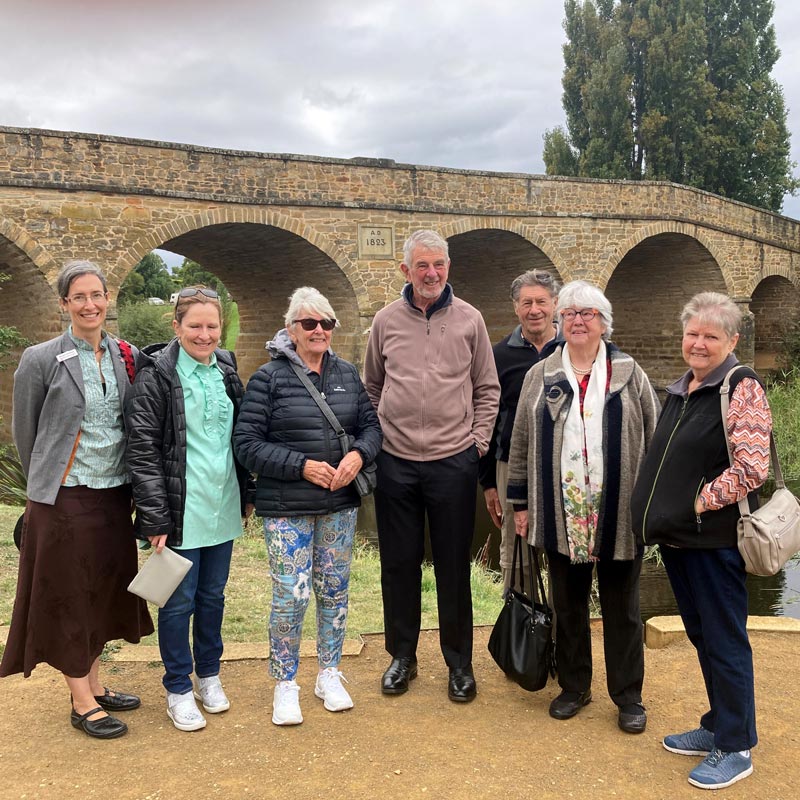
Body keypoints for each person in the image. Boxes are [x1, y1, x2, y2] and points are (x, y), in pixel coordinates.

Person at [0, 260, 153, 739]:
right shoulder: (41, 358)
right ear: (64, 304)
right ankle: (81, 700)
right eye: (79, 297)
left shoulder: (124, 355)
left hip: (113, 498)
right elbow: (26, 433)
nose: (90, 305)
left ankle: (94, 683)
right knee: (69, 596)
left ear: (109, 300)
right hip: (63, 500)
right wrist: (44, 484)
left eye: (97, 295)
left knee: (103, 593)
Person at [631, 292, 770, 789]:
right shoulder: (685, 388)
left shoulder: (741, 387)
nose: (699, 343)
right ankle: (719, 725)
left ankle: (736, 746)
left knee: (726, 640)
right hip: (680, 542)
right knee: (703, 636)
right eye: (693, 333)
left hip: (714, 542)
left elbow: (753, 468)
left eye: (711, 335)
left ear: (732, 340)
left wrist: (694, 501)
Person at [507, 280, 658, 733]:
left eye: (587, 313)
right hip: (559, 511)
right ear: (561, 321)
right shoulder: (542, 374)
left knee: (623, 608)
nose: (577, 319)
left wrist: (652, 503)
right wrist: (520, 502)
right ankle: (574, 686)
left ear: (603, 322)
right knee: (568, 604)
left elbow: (654, 438)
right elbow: (519, 441)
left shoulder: (630, 373)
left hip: (619, 515)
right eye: (570, 312)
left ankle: (628, 695)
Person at [233, 287, 382, 726]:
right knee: (291, 595)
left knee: (334, 592)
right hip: (286, 508)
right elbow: (246, 445)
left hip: (339, 503)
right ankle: (285, 682)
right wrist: (301, 466)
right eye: (309, 324)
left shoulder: (348, 374)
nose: (319, 331)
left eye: (326, 323)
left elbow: (372, 428)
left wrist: (358, 455)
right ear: (291, 329)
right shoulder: (268, 379)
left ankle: (329, 673)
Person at [364, 229, 500, 703]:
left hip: (453, 462)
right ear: (406, 270)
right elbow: (372, 388)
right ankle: (402, 656)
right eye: (422, 265)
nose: (431, 273)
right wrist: (379, 437)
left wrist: (477, 443)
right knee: (398, 565)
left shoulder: (470, 320)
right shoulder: (385, 321)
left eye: (438, 265)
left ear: (448, 268)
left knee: (452, 566)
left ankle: (459, 662)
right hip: (396, 462)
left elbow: (487, 388)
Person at [125, 286, 253, 732]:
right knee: (177, 603)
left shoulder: (228, 369)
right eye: (194, 325)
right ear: (176, 327)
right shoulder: (156, 376)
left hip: (222, 506)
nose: (204, 334)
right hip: (179, 512)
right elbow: (141, 450)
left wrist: (248, 492)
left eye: (212, 326)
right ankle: (178, 686)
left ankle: (209, 675)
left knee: (213, 597)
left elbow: (241, 439)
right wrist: (154, 516)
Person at [479, 269, 561, 590]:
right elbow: (485, 418)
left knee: (563, 553)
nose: (534, 309)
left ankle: (562, 632)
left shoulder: (575, 351)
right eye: (526, 302)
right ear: (516, 308)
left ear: (555, 304)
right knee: (516, 553)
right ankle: (521, 631)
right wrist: (487, 482)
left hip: (562, 466)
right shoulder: (498, 356)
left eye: (541, 301)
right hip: (510, 465)